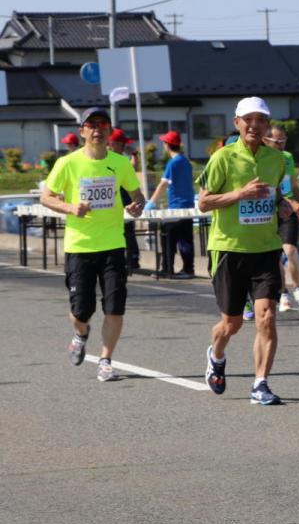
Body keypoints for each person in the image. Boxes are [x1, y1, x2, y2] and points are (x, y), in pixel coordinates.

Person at [198, 97, 299, 406]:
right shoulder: (222, 158)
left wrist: (283, 205)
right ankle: (216, 355)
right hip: (228, 249)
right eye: (248, 119)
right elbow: (203, 202)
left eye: (260, 119)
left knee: (267, 316)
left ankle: (260, 383)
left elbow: (275, 195)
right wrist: (239, 194)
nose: (254, 125)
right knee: (231, 323)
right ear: (237, 123)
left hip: (265, 248)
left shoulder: (277, 160)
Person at [40, 106, 145, 382]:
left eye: (103, 124)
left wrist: (137, 206)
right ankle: (81, 333)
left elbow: (137, 195)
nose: (97, 129)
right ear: (82, 131)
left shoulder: (120, 163)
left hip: (112, 245)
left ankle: (106, 360)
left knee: (115, 307)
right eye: (92, 125)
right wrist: (71, 207)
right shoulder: (68, 163)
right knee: (80, 311)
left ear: (110, 130)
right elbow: (46, 197)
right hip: (80, 247)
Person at [264, 124, 299, 310]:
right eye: (278, 141)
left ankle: (298, 288)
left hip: (289, 209)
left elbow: (293, 186)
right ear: (265, 140)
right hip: (269, 211)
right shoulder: (261, 159)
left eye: (284, 140)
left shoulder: (287, 158)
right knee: (275, 255)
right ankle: (283, 292)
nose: (282, 144)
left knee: (290, 250)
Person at [147, 130, 195, 278]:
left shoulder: (172, 163)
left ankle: (167, 269)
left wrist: (151, 202)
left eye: (164, 143)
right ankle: (188, 269)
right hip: (188, 205)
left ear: (167, 145)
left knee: (167, 237)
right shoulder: (186, 161)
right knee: (186, 239)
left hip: (176, 208)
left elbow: (163, 185)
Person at [109, 128, 142, 273]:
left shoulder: (122, 160)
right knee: (120, 233)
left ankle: (132, 260)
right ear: (112, 144)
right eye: (121, 144)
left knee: (128, 232)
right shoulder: (108, 159)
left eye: (124, 144)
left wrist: (134, 153)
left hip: (127, 202)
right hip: (113, 203)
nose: (124, 147)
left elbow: (135, 167)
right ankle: (123, 260)